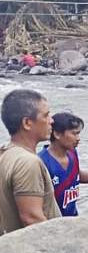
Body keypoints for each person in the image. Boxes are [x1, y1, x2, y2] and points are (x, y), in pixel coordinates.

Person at [0, 89, 59, 235]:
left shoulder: (6, 153)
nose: (52, 120)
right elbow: (32, 219)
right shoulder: (27, 162)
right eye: (46, 115)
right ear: (27, 123)